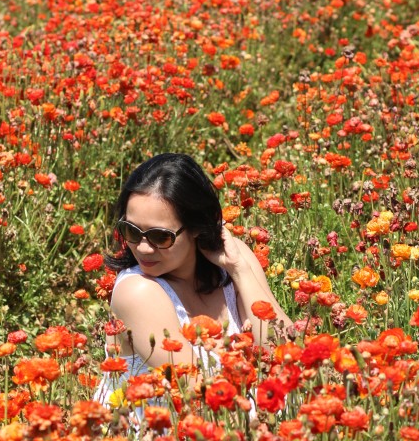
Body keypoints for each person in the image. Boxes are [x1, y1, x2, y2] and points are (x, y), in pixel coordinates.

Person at [100, 153, 291, 390]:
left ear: (196, 228)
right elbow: (196, 392)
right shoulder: (137, 291)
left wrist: (240, 270)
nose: (143, 247)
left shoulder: (233, 261)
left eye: (160, 236)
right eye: (131, 231)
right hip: (174, 423)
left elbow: (289, 357)